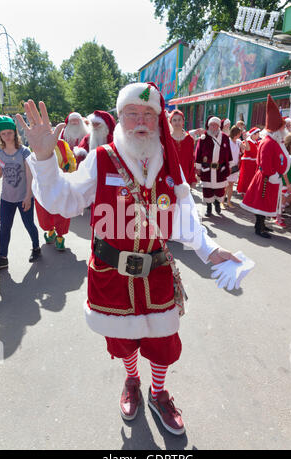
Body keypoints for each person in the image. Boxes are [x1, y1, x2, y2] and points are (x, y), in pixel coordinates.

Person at [19, 83, 250, 436]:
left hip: (156, 271)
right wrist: (46, 160)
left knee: (162, 343)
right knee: (122, 341)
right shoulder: (100, 158)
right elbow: (61, 201)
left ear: (158, 120)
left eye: (148, 114)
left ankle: (158, 394)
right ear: (120, 118)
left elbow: (186, 215)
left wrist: (210, 251)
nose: (140, 121)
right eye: (132, 113)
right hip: (111, 274)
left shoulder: (169, 161)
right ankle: (132, 381)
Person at [241, 95, 290, 238]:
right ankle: (259, 227)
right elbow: (265, 163)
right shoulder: (268, 142)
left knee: (266, 203)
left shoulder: (274, 140)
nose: (284, 130)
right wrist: (273, 175)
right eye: (282, 127)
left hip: (271, 178)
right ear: (276, 129)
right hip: (267, 178)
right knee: (261, 203)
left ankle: (263, 225)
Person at [0, 116, 41, 269]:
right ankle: (3, 257)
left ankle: (36, 248)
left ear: (15, 133)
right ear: (0, 136)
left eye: (9, 133)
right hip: (6, 198)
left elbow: (30, 176)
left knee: (29, 224)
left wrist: (28, 196)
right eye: (3, 134)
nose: (7, 136)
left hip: (24, 196)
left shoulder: (24, 152)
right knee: (4, 227)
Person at [34, 139, 76, 251]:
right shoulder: (35, 143)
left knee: (59, 210)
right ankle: (56, 236)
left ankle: (57, 236)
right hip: (45, 185)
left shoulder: (61, 144)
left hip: (57, 184)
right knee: (46, 211)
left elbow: (70, 162)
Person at [195, 116, 232, 216]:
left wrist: (230, 165)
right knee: (207, 190)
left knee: (220, 190)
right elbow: (198, 153)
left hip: (220, 169)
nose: (213, 127)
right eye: (211, 125)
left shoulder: (224, 137)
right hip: (207, 169)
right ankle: (208, 207)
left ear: (219, 126)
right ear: (208, 125)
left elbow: (229, 152)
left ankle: (217, 203)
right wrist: (198, 168)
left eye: (215, 125)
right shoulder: (203, 138)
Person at [169, 109, 196, 187]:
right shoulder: (167, 139)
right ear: (171, 122)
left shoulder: (189, 139)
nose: (177, 122)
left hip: (185, 177)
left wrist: (192, 179)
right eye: (174, 120)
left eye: (179, 120)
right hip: (170, 177)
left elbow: (191, 160)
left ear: (183, 122)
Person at [224, 126, 245, 208]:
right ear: (235, 133)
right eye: (239, 134)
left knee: (231, 185)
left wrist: (246, 139)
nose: (240, 135)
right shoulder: (228, 141)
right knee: (225, 185)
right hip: (228, 166)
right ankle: (222, 202)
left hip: (235, 167)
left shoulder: (239, 142)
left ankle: (229, 201)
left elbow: (247, 148)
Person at [237, 127, 260, 195]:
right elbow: (247, 149)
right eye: (257, 134)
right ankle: (245, 192)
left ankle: (250, 192)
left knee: (252, 178)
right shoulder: (248, 141)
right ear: (253, 135)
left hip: (253, 163)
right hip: (248, 163)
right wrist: (245, 139)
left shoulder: (256, 142)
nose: (258, 135)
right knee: (247, 178)